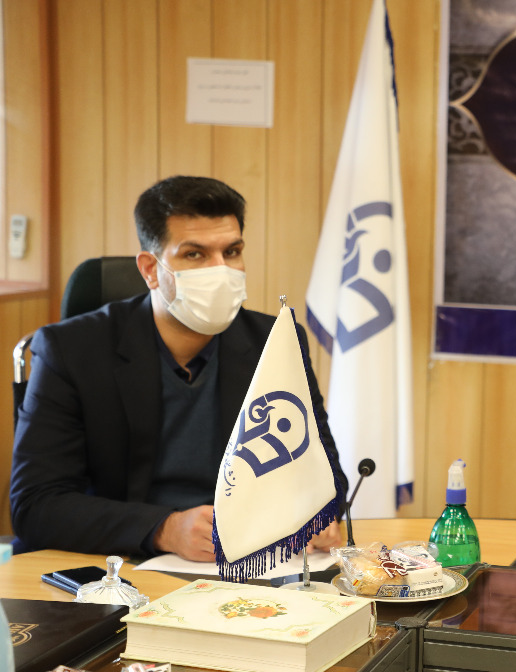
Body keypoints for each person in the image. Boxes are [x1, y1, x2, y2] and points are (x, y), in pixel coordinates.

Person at [10, 176, 347, 562]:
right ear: (150, 269)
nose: (221, 270)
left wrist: (319, 513)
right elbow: (35, 504)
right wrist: (164, 529)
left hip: (244, 563)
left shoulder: (276, 341)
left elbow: (324, 472)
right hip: (116, 564)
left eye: (232, 251)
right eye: (195, 254)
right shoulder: (71, 350)